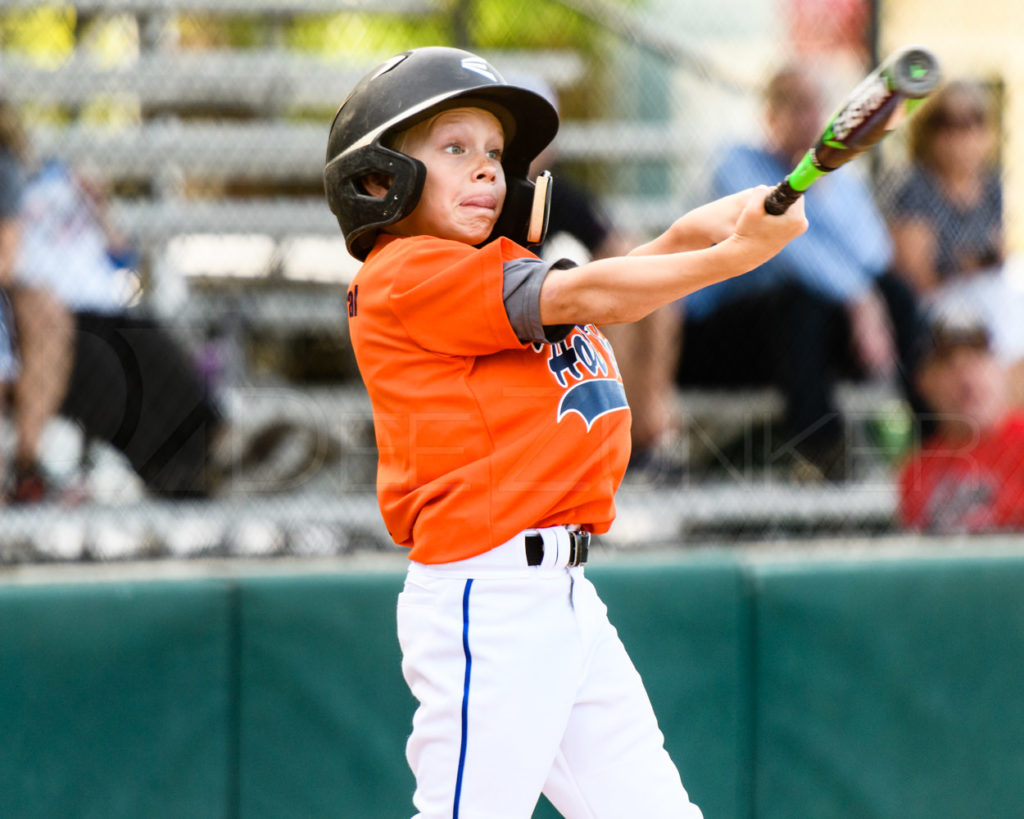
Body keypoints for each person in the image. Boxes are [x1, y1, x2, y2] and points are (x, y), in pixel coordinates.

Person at [324, 46, 806, 818]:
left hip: (560, 596)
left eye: (492, 152)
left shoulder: (486, 270)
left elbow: (602, 287)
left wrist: (698, 233)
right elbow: (598, 294)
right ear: (379, 179)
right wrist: (725, 258)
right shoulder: (404, 273)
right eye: (455, 149)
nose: (486, 169)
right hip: (490, 595)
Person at [617, 63, 922, 482]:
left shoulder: (841, 181)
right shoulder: (735, 164)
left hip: (800, 342)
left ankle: (928, 426)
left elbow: (875, 255)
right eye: (796, 105)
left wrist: (824, 189)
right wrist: (857, 297)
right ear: (769, 114)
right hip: (713, 340)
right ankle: (823, 445)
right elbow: (781, 247)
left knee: (895, 293)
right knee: (799, 298)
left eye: (816, 105)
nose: (810, 116)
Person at [6, 151, 333, 499]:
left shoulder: (56, 178)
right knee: (104, 367)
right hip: (39, 321)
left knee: (149, 343)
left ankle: (218, 440)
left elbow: (122, 257)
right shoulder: (12, 184)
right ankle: (175, 473)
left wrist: (98, 208)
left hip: (92, 307)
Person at [898, 306, 1024, 532]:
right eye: (948, 363)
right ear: (923, 381)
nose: (966, 378)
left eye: (978, 358)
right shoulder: (916, 471)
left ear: (1003, 369)